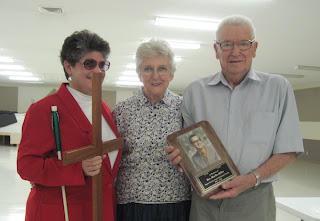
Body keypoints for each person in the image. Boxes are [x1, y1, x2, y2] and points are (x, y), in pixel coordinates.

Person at [166, 15, 304, 221]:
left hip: (255, 200)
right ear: (216, 50)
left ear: (255, 48)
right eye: (227, 44)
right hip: (205, 202)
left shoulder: (278, 88)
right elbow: (186, 147)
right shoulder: (196, 92)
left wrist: (252, 178)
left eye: (244, 44)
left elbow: (289, 149)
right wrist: (180, 159)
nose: (235, 52)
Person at [17, 30, 122, 221]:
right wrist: (78, 168)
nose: (98, 71)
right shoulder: (44, 109)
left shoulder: (104, 108)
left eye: (102, 65)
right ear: (69, 66)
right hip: (63, 211)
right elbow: (26, 166)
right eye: (89, 64)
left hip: (100, 209)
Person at [112, 39, 191, 221]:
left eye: (162, 68)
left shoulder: (185, 108)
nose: (155, 75)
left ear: (171, 73)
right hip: (132, 204)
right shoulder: (123, 111)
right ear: (139, 74)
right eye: (148, 69)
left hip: (175, 203)